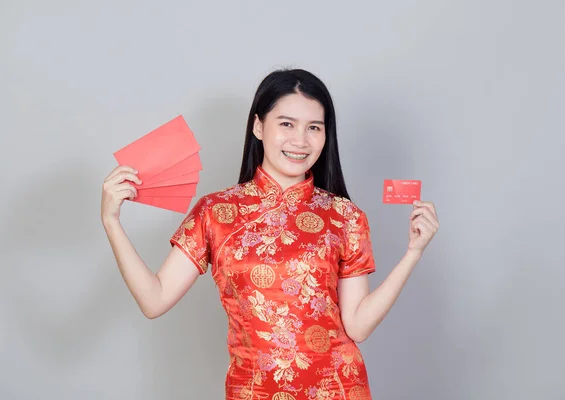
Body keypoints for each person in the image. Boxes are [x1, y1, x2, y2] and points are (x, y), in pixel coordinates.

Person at [101, 68, 439, 400]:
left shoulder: (344, 216)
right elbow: (154, 299)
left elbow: (358, 326)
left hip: (338, 389)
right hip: (253, 391)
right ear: (259, 126)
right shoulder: (216, 212)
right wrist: (112, 222)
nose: (300, 141)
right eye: (287, 124)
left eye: (314, 128)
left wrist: (413, 253)